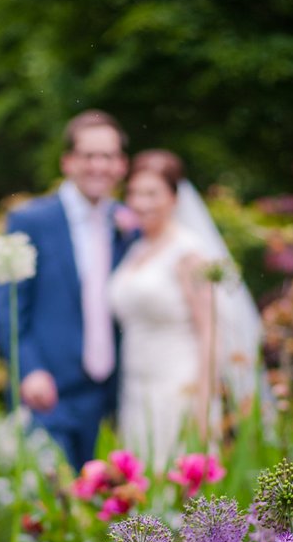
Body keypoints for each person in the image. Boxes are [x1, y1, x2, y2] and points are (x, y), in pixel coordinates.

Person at [0, 110, 135, 470]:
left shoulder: (128, 223)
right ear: (68, 161)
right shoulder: (31, 220)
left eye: (108, 156)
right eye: (88, 155)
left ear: (121, 165)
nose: (98, 166)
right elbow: (8, 305)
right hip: (49, 393)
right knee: (51, 513)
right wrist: (29, 370)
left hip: (109, 399)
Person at [108, 149, 263, 470]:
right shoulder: (137, 249)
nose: (140, 202)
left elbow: (210, 328)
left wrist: (203, 404)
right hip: (135, 386)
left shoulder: (188, 251)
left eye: (152, 193)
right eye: (134, 193)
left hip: (179, 385)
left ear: (175, 198)